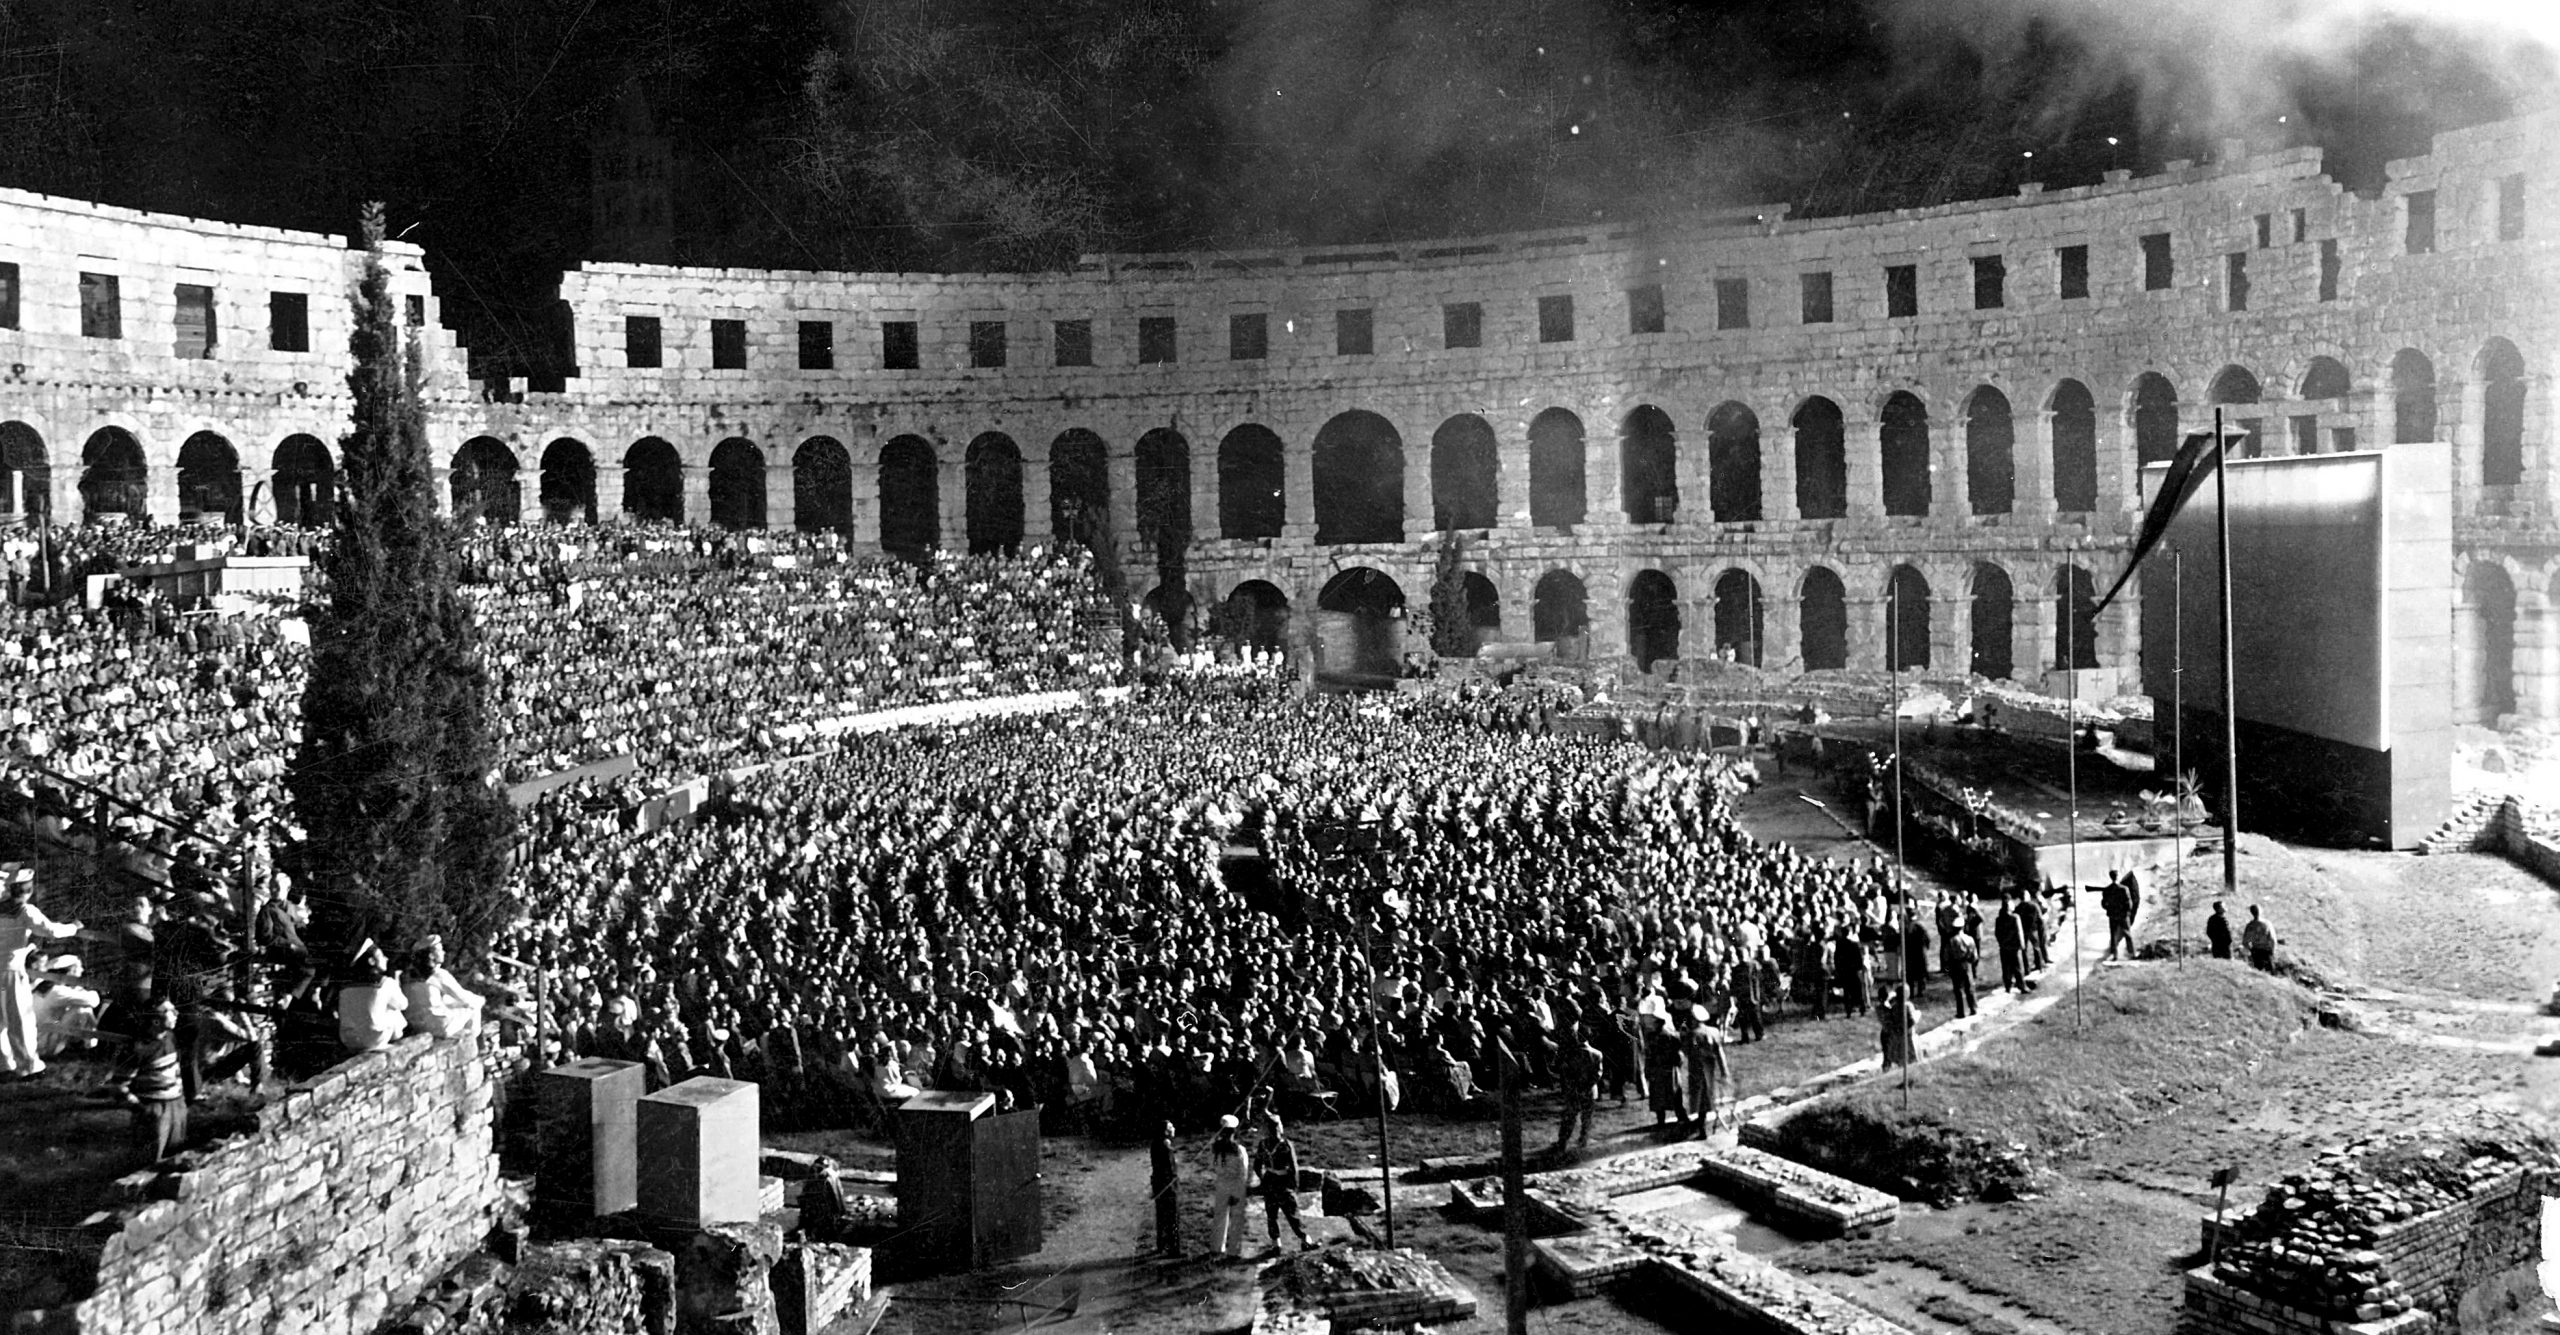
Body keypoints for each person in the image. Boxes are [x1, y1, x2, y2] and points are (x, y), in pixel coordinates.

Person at [2, 868, 83, 1079]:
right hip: (11, 971)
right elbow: (51, 931)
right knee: (20, 1019)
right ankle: (29, 1067)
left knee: (0, 1020)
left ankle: (4, 1063)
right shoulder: (25, 910)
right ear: (28, 890)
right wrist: (73, 927)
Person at [127, 994, 188, 1162]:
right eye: (169, 1010)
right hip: (155, 1109)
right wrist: (144, 1110)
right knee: (150, 1160)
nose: (176, 1013)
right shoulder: (139, 1048)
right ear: (154, 1019)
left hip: (176, 1104)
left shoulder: (170, 1038)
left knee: (175, 1154)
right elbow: (120, 1086)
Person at [401, 935, 486, 1040]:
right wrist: (480, 1000)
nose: (444, 952)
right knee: (474, 1007)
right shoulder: (438, 974)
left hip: (416, 1025)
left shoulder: (408, 974)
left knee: (450, 1001)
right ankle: (472, 1043)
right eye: (440, 950)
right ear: (431, 955)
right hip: (438, 1025)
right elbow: (463, 997)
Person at [337, 946, 409, 1054]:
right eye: (381, 956)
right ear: (371, 961)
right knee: (393, 1008)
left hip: (349, 1040)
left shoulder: (346, 985)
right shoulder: (385, 982)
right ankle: (398, 1038)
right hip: (374, 1039)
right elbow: (403, 1004)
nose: (386, 959)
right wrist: (396, 980)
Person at [1258, 1117, 1312, 1253]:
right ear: (1279, 1128)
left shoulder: (1263, 1144)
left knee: (1271, 1215)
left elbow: (1257, 1165)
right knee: (1292, 1214)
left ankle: (1276, 1244)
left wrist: (1263, 1178)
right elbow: (1294, 1167)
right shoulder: (1286, 1145)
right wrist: (1295, 1185)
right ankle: (1305, 1239)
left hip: (1269, 1181)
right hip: (1283, 1182)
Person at [1209, 1116, 1252, 1260]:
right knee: (1237, 1217)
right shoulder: (1239, 1150)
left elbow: (1213, 1166)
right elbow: (1243, 1171)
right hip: (1236, 1185)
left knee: (1220, 1215)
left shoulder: (1215, 1148)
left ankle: (1216, 1247)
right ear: (1234, 1131)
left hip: (1221, 1183)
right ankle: (1234, 1250)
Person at [1553, 1027, 1601, 1151]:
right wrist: (1588, 1085)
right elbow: (1597, 1074)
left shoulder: (1570, 1054)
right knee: (1587, 1118)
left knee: (1569, 1117)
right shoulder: (1596, 1054)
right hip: (1590, 1090)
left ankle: (1562, 1141)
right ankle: (1583, 1139)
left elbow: (1565, 1072)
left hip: (1574, 1090)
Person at [799, 1155, 850, 1243]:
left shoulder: (829, 1178)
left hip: (825, 1209)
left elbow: (836, 1198)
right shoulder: (815, 1176)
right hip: (816, 1206)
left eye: (819, 1169)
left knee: (826, 1226)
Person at [1150, 1121, 1182, 1259]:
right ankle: (1174, 1249)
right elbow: (1170, 1168)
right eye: (1171, 1128)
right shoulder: (1166, 1145)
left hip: (1158, 1184)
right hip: (1168, 1186)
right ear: (1165, 1131)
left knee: (1161, 1216)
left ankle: (1161, 1245)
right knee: (1172, 1217)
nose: (1174, 1129)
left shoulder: (1155, 1143)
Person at [1941, 923, 1979, 1019]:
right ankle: (1973, 1008)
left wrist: (1947, 967)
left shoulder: (1952, 941)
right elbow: (1974, 955)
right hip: (1967, 964)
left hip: (1956, 965)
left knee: (1958, 989)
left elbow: (1946, 956)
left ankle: (1961, 1012)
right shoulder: (1969, 939)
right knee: (1969, 987)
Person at [2097, 871, 2135, 962]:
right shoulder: (2124, 889)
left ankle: (2115, 955)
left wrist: (2109, 910)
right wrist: (2127, 912)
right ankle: (2132, 953)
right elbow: (2129, 903)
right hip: (2123, 915)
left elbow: (2103, 903)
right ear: (2117, 877)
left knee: (2113, 935)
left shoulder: (2107, 889)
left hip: (2113, 915)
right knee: (2127, 934)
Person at [1992, 896, 2026, 993]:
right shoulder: (2015, 917)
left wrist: (2001, 943)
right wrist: (2022, 945)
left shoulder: (1998, 919)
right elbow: (2019, 932)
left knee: (2006, 967)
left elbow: (1997, 933)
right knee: (2018, 967)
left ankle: (2008, 986)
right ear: (2009, 907)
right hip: (2015, 947)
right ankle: (2022, 986)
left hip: (2004, 947)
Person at [1878, 984, 1915, 1069]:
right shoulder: (1905, 1006)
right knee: (1903, 1054)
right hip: (1897, 1033)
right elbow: (1911, 1020)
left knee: (1891, 1054)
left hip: (1891, 1032)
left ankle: (1888, 1068)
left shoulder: (1891, 1007)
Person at [2241, 906, 2276, 973]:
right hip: (2267, 951)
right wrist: (2273, 950)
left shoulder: (2251, 925)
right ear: (2261, 911)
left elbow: (2246, 942)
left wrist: (2251, 950)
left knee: (2258, 972)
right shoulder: (2266, 924)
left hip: (2256, 951)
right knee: (2271, 972)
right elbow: (2272, 939)